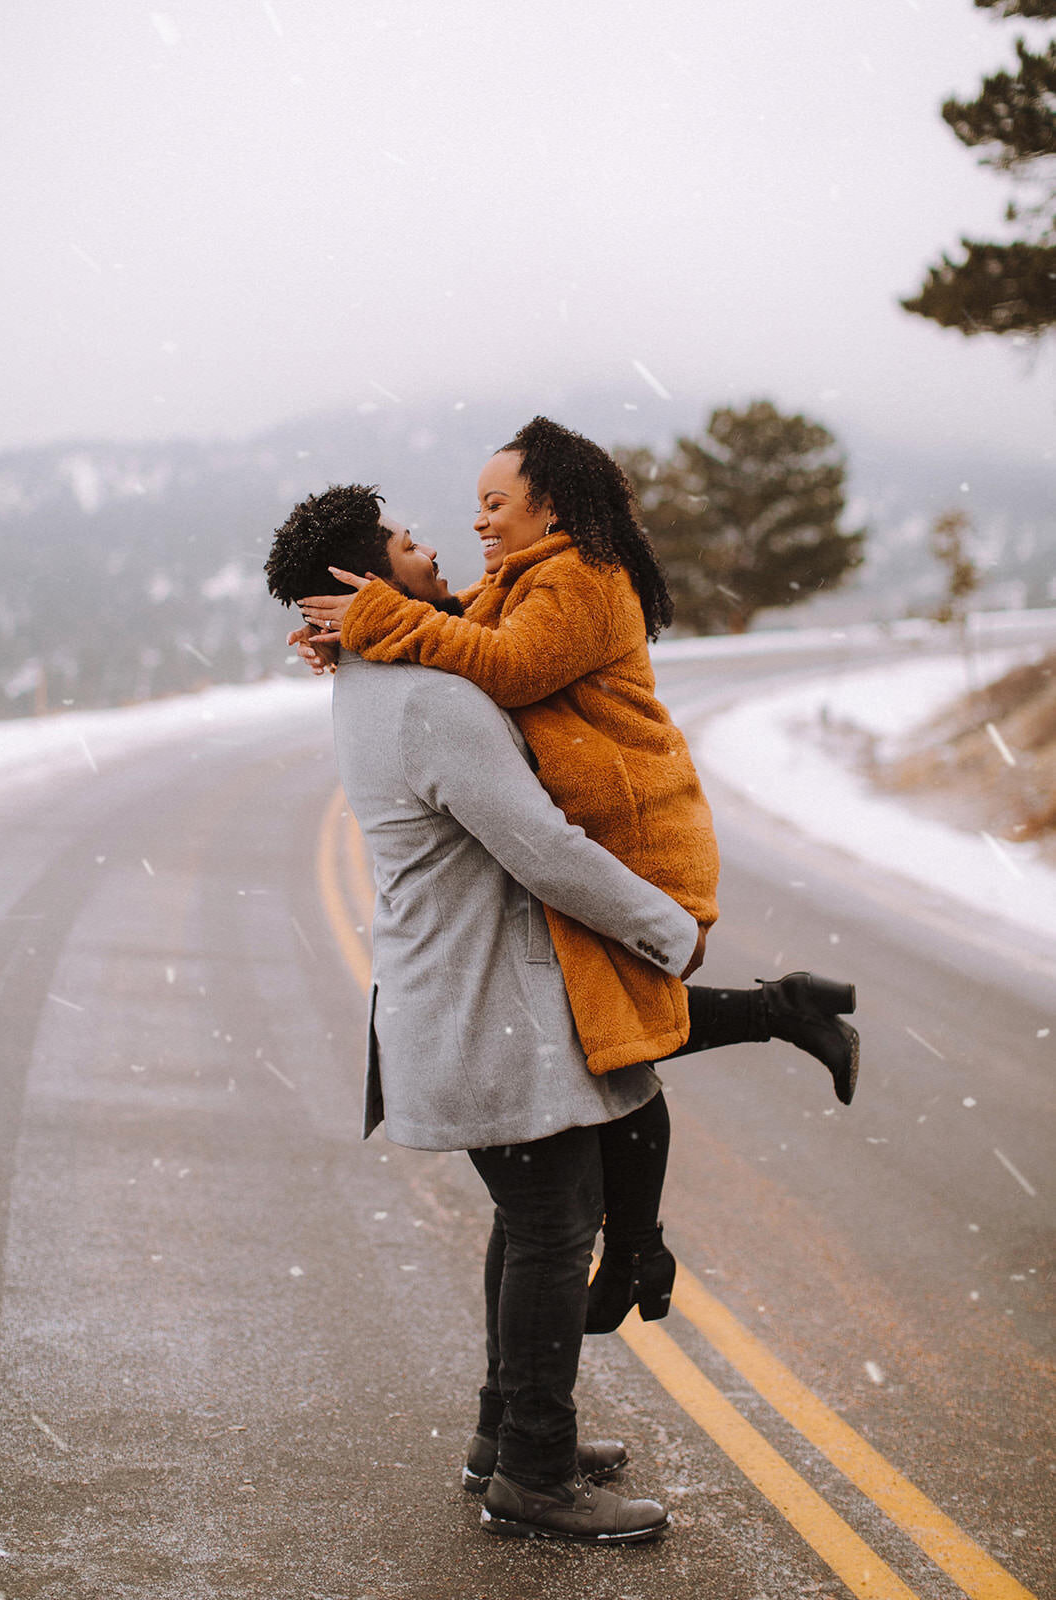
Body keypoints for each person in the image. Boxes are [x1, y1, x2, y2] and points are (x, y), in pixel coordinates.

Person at [295, 420, 859, 1334]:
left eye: (494, 504)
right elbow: (461, 629)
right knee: (611, 1041)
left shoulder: (584, 578)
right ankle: (763, 1042)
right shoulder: (526, 577)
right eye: (471, 506)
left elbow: (508, 667)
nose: (471, 525)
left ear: (550, 504)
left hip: (633, 837)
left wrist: (384, 623)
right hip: (604, 828)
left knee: (613, 1040)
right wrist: (362, 639)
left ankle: (630, 1258)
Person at [266, 484, 704, 1543]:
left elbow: (486, 633)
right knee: (555, 1229)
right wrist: (665, 930)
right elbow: (544, 849)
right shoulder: (430, 701)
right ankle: (535, 1476)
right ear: (364, 581)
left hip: (452, 1005)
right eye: (409, 544)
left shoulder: (387, 676)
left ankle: (504, 1437)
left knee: (532, 1221)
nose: (434, 554)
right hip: (477, 1012)